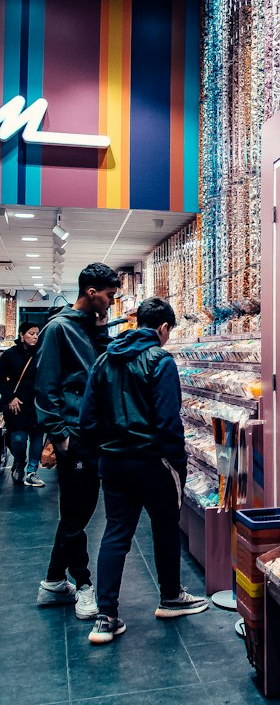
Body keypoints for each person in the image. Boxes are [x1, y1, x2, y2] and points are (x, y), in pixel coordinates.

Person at [80, 296, 208, 644]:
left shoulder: (104, 360)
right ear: (163, 328)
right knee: (165, 527)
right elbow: (168, 422)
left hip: (113, 462)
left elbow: (87, 418)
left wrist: (100, 454)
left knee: (116, 532)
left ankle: (105, 617)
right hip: (152, 461)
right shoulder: (160, 360)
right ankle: (170, 597)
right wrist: (177, 464)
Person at [33, 262, 121, 618]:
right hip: (75, 436)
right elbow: (46, 387)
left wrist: (100, 331)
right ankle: (83, 585)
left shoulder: (89, 326)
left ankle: (54, 582)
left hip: (93, 433)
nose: (111, 303)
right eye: (109, 296)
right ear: (91, 292)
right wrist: (61, 436)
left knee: (76, 512)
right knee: (77, 513)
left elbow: (100, 368)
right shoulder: (58, 329)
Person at [0, 321, 43, 486]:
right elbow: (1, 379)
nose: (35, 337)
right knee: (18, 439)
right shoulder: (10, 355)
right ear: (21, 335)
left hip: (37, 403)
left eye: (37, 334)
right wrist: (11, 397)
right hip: (17, 405)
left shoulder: (41, 353)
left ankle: (32, 472)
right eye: (31, 333)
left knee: (37, 438)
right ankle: (19, 461)